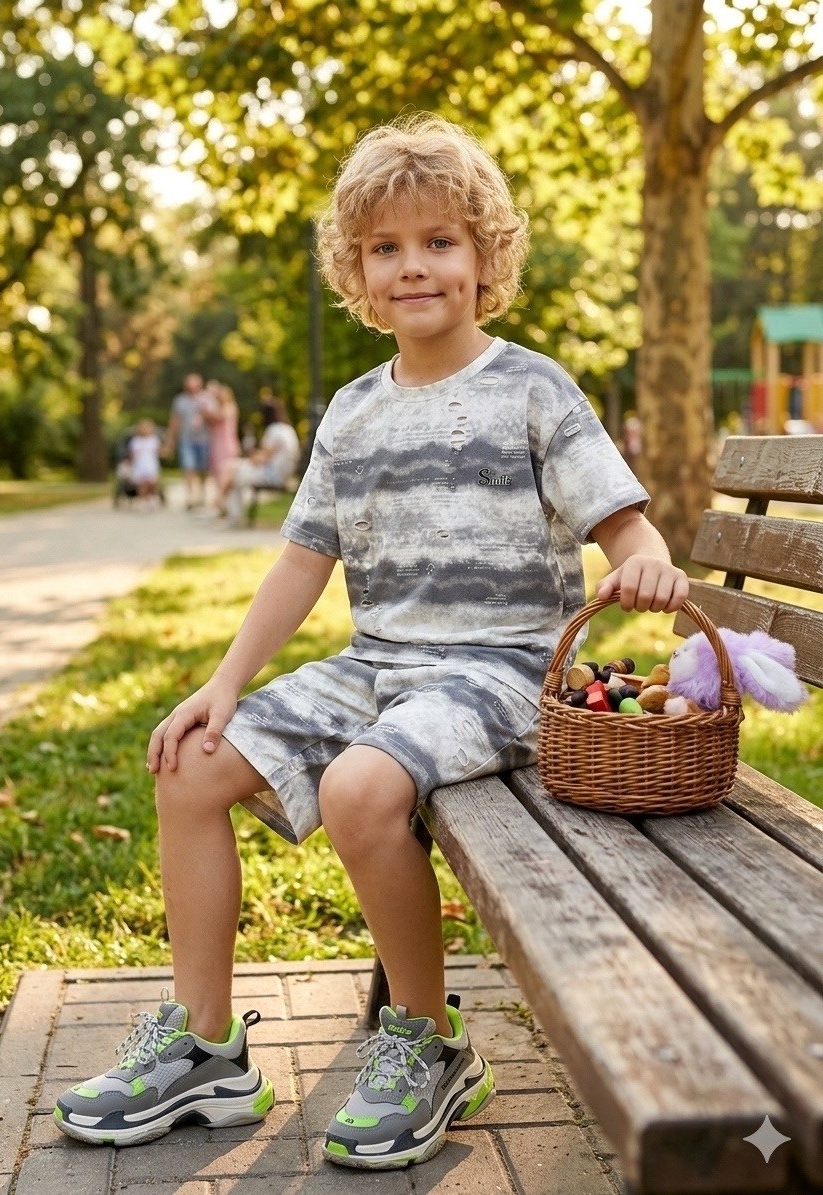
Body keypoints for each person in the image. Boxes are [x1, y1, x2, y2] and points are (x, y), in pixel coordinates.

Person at [55, 116, 688, 1167]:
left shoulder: (531, 388)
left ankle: (428, 1042)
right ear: (356, 269)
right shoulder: (350, 413)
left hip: (499, 670)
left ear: (485, 256)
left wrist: (649, 559)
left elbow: (622, 522)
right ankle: (207, 1044)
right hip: (380, 666)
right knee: (188, 763)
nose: (413, 267)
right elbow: (302, 562)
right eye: (385, 248)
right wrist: (222, 684)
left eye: (439, 241)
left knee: (358, 787)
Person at [220, 395, 301, 523]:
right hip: (282, 474)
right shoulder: (287, 429)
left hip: (273, 476)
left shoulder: (274, 431)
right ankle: (224, 510)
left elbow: (260, 459)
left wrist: (251, 454)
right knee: (233, 468)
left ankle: (225, 511)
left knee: (233, 471)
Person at [163, 372, 210, 510]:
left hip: (204, 439)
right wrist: (170, 441)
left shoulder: (205, 398)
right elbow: (175, 421)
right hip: (187, 439)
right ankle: (190, 497)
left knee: (203, 469)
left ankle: (202, 494)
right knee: (188, 467)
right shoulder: (180, 400)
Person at [204, 379, 241, 515]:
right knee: (217, 474)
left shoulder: (230, 407)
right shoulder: (219, 408)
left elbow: (216, 417)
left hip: (226, 444)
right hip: (216, 444)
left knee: (225, 474)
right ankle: (221, 506)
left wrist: (207, 399)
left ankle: (220, 504)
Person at [126, 419, 163, 509]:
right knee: (142, 484)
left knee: (152, 483)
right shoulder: (136, 441)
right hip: (140, 466)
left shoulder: (154, 440)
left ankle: (152, 499)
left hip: (151, 465)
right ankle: (142, 500)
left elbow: (158, 452)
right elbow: (132, 454)